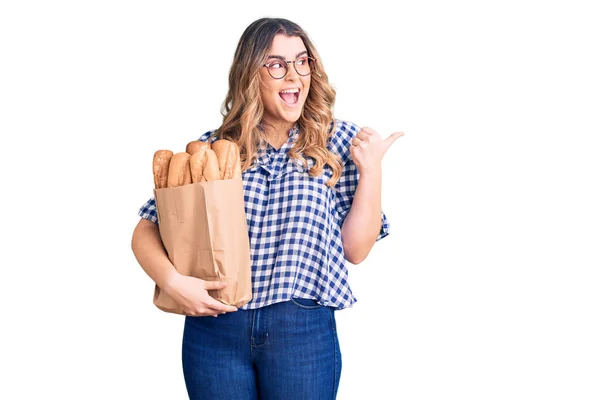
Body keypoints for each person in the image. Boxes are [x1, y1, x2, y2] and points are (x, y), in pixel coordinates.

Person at [131, 17, 403, 400]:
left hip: (301, 330)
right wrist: (175, 284)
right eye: (276, 64)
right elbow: (146, 231)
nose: (294, 75)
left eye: (302, 61)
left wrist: (371, 171)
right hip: (215, 330)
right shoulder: (213, 150)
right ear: (250, 74)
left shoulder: (338, 142)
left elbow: (356, 250)